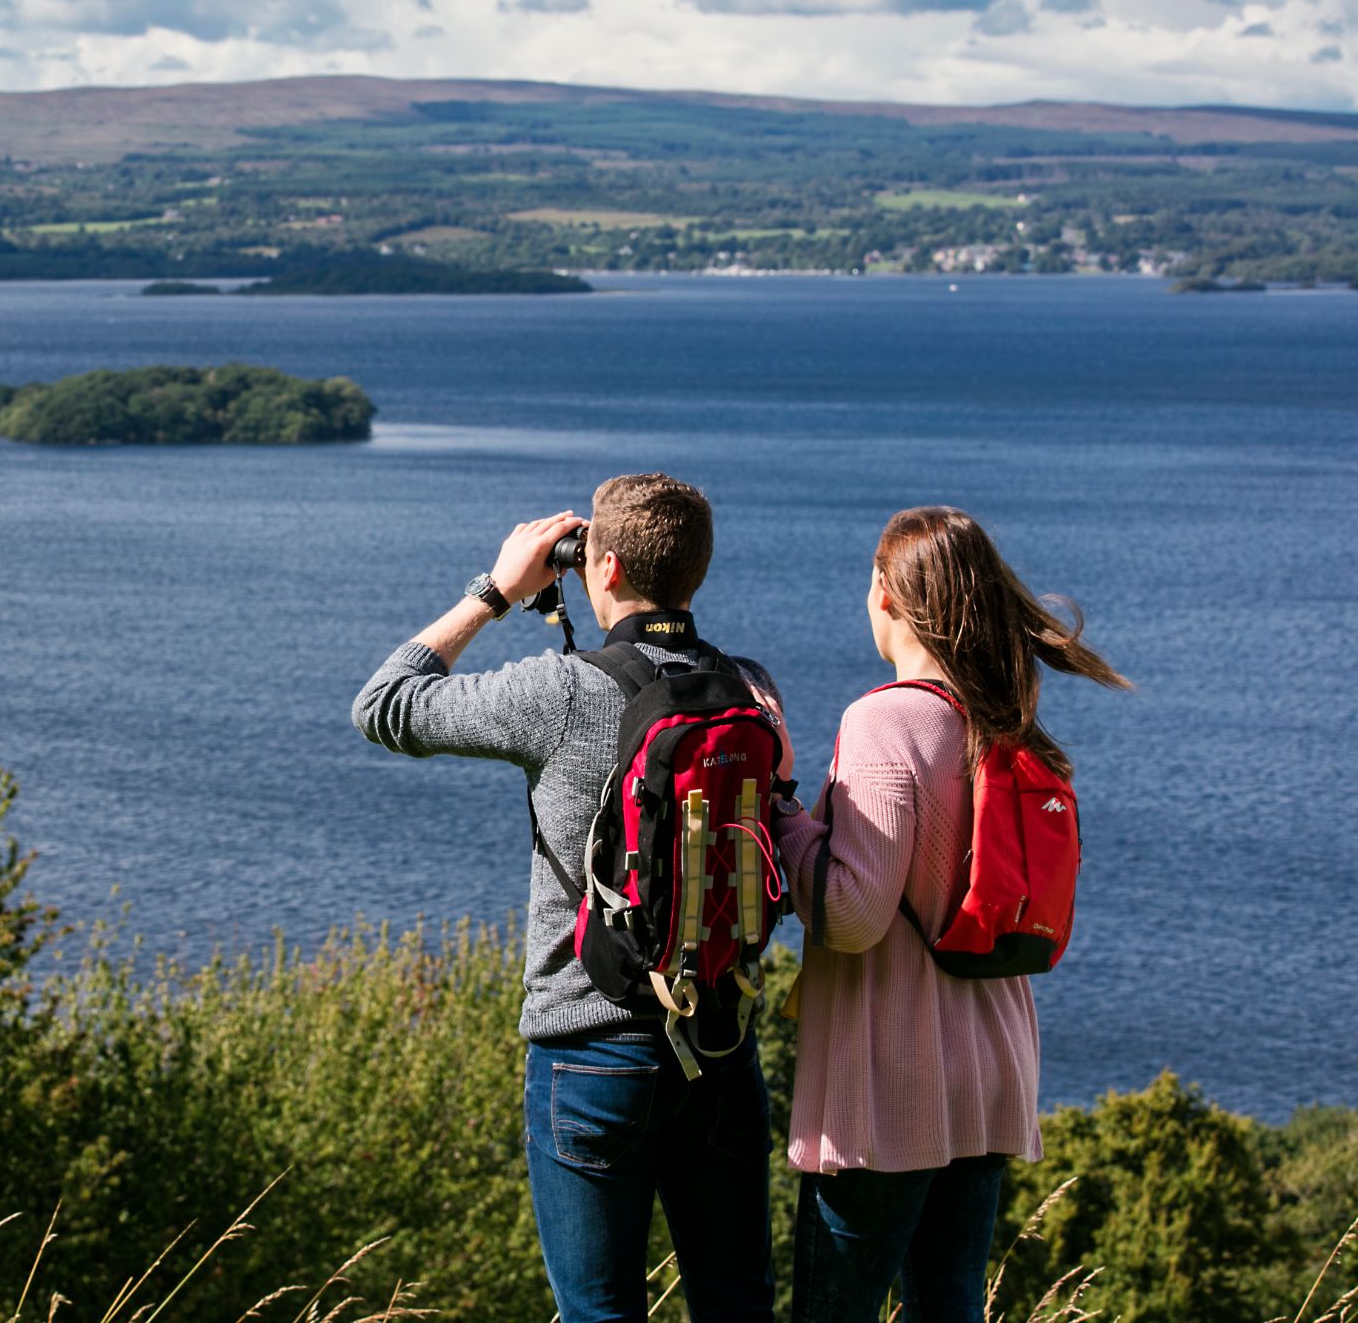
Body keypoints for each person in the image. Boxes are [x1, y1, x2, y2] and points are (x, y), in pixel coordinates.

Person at [351, 473, 776, 1323]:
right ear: (697, 570)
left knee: (598, 1312)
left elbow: (384, 704)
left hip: (589, 1048)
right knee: (737, 1306)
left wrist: (497, 591)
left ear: (603, 565)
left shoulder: (562, 691)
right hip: (719, 1043)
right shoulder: (750, 690)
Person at [770, 506, 1131, 1323]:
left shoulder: (885, 720)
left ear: (887, 594)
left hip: (888, 1082)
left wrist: (783, 815)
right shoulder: (1007, 721)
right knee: (950, 1304)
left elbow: (853, 913)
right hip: (991, 1070)